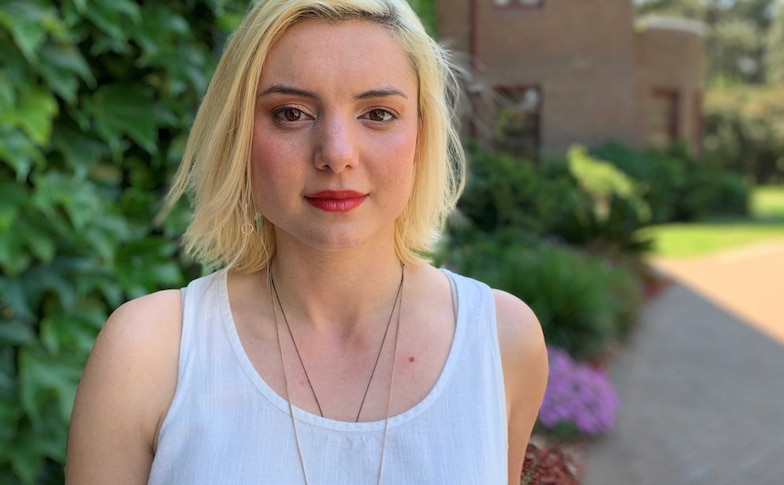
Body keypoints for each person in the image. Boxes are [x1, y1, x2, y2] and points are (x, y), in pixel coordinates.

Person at [65, 0, 548, 483]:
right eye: (291, 113)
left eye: (378, 113)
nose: (337, 154)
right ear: (238, 134)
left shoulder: (501, 342)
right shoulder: (149, 352)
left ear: (422, 135)